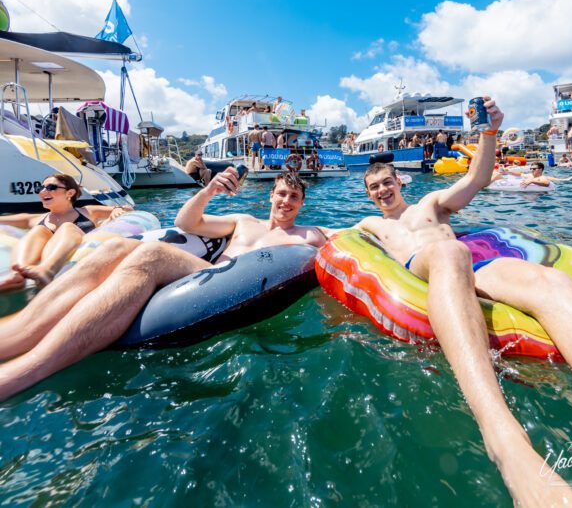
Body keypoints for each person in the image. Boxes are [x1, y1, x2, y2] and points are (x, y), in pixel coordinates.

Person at [358, 97, 572, 505]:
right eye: (373, 188)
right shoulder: (369, 225)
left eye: (387, 183)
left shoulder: (430, 205)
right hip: (431, 263)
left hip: (472, 267)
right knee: (449, 253)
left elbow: (476, 180)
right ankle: (505, 443)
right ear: (368, 194)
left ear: (398, 181)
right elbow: (321, 237)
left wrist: (489, 132)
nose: (382, 191)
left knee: (550, 282)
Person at [0, 171, 327, 400]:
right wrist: (209, 191)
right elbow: (186, 223)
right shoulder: (244, 221)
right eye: (281, 193)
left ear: (302, 204)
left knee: (153, 254)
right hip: (203, 275)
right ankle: (15, 335)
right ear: (271, 195)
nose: (286, 201)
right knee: (116, 247)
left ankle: (28, 370)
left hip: (228, 282)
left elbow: (350, 238)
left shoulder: (309, 233)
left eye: (294, 197)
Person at [0, 174, 132, 291]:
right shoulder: (35, 219)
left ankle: (47, 270)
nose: (43, 191)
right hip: (44, 250)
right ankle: (19, 272)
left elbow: (125, 209)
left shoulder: (87, 211)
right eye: (40, 188)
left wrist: (117, 210)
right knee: (38, 230)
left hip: (79, 253)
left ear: (69, 193)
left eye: (51, 187)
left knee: (67, 227)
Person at [493, 161, 572, 188]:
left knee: (558, 180)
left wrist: (531, 181)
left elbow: (546, 183)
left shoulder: (543, 177)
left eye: (534, 169)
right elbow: (520, 174)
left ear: (541, 170)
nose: (532, 170)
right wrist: (507, 172)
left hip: (537, 195)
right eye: (531, 169)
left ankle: (567, 179)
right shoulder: (529, 175)